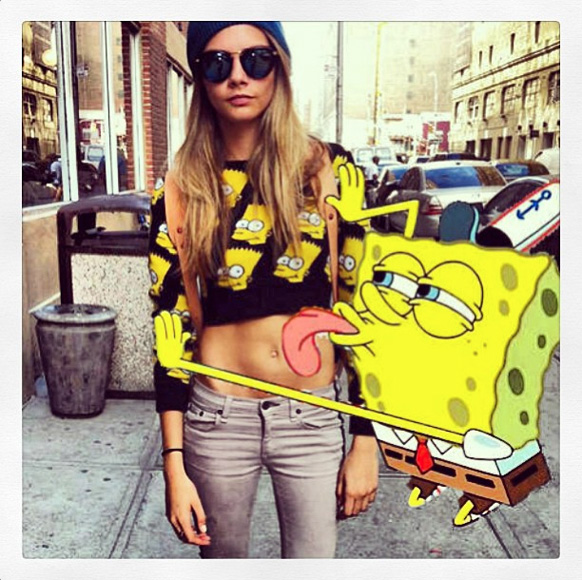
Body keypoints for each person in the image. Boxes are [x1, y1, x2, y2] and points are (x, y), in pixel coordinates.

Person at [148, 21, 379, 559]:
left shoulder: (330, 171)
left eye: (255, 59)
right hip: (217, 418)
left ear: (279, 67)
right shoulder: (181, 185)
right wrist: (173, 464)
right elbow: (168, 326)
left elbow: (363, 309)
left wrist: (366, 437)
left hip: (311, 416)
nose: (238, 76)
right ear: (200, 79)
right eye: (217, 63)